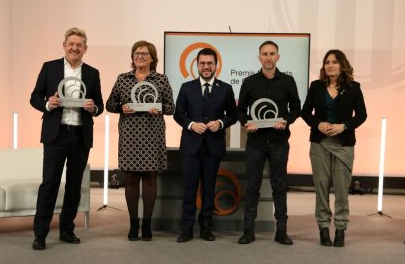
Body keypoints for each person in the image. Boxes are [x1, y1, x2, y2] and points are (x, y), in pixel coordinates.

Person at [30, 27, 104, 250]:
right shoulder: (49, 67)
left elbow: (99, 104)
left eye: (79, 45)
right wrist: (47, 104)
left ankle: (66, 230)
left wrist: (94, 108)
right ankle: (40, 234)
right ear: (64, 45)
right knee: (49, 184)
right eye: (71, 44)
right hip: (56, 135)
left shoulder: (92, 73)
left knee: (74, 186)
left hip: (80, 136)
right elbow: (34, 97)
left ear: (85, 49)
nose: (75, 48)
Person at [106, 40, 175, 241]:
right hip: (130, 135)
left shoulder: (161, 80)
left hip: (152, 134)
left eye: (144, 54)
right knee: (130, 179)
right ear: (132, 57)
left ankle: (147, 225)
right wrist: (122, 107)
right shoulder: (123, 79)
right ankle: (133, 224)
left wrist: (159, 107)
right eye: (136, 53)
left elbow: (171, 108)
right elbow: (110, 104)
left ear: (152, 58)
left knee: (150, 178)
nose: (140, 57)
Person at [301, 49, 367, 247]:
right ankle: (323, 227)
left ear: (342, 65)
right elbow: (305, 112)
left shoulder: (354, 87)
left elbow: (362, 115)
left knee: (341, 189)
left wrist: (344, 126)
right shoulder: (316, 86)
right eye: (327, 62)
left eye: (335, 62)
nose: (330, 65)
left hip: (343, 145)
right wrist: (318, 123)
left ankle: (340, 229)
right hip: (320, 144)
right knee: (321, 187)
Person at [237, 41, 300, 245]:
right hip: (255, 142)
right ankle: (249, 230)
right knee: (253, 186)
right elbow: (240, 110)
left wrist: (287, 120)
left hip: (279, 142)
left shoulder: (288, 81)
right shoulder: (249, 82)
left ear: (278, 57)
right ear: (259, 58)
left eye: (272, 54)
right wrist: (246, 122)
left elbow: (296, 108)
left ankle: (281, 231)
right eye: (264, 54)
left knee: (279, 186)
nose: (268, 57)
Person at [174, 48, 238, 242]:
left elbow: (233, 115)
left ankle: (206, 228)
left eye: (210, 63)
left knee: (209, 189)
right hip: (190, 147)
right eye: (202, 63)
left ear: (216, 65)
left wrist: (221, 123)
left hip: (214, 146)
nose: (206, 67)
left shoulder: (225, 88)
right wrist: (192, 125)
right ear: (197, 65)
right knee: (189, 189)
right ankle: (186, 229)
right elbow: (178, 114)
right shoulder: (187, 87)